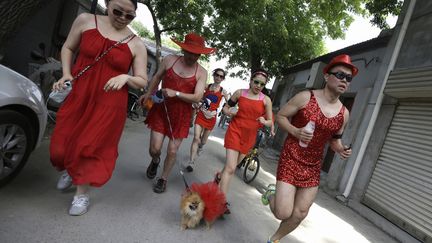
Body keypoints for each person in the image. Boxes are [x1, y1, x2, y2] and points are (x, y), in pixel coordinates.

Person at [50, 0, 148, 216]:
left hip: (109, 103)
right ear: (107, 3)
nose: (123, 18)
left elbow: (142, 80)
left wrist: (126, 77)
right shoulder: (86, 20)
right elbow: (68, 47)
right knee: (59, 146)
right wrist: (67, 73)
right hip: (80, 94)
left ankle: (81, 194)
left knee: (90, 145)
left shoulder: (136, 43)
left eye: (129, 16)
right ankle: (70, 166)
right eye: (118, 11)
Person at [262, 54, 355, 243]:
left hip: (313, 164)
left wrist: (341, 149)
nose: (344, 80)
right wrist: (296, 132)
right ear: (327, 76)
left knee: (300, 212)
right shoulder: (306, 97)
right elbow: (280, 117)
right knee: (283, 211)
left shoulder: (344, 114)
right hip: (291, 156)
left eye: (348, 78)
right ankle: (271, 194)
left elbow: (334, 140)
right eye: (340, 75)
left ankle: (274, 240)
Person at [140, 32, 215, 193]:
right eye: (189, 52)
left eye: (196, 54)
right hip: (161, 109)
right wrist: (148, 94)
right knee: (155, 148)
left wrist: (177, 93)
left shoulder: (201, 72)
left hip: (182, 115)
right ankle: (155, 160)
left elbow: (197, 97)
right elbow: (157, 77)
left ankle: (163, 179)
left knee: (173, 150)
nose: (192, 57)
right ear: (183, 49)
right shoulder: (169, 60)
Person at [216, 69, 273, 213]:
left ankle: (219, 177)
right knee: (230, 168)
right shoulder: (239, 93)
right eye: (256, 82)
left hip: (249, 137)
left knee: (231, 167)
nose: (258, 85)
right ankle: (221, 203)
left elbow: (270, 120)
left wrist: (264, 121)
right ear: (251, 80)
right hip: (235, 131)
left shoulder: (266, 100)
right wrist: (228, 111)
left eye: (262, 84)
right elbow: (225, 108)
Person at [184, 68, 230, 172]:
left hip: (211, 118)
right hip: (201, 115)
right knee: (196, 138)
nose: (218, 77)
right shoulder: (207, 86)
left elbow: (229, 104)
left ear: (223, 79)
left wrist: (225, 110)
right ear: (213, 75)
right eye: (217, 75)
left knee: (203, 141)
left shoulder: (223, 91)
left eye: (221, 76)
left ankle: (201, 147)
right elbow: (198, 95)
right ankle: (191, 162)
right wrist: (197, 102)